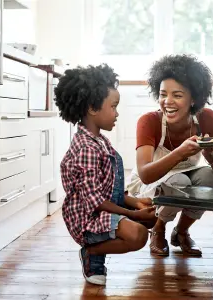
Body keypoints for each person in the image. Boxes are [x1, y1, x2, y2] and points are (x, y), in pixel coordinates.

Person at [54, 64, 157, 286]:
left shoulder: (99, 141)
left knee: (151, 218)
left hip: (102, 208)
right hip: (87, 220)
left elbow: (109, 188)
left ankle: (98, 252)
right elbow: (96, 201)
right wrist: (134, 216)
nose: (117, 112)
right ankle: (91, 253)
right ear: (92, 107)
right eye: (113, 106)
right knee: (138, 235)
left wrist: (136, 203)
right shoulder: (86, 149)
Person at [126, 54, 213, 257]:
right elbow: (146, 174)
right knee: (179, 179)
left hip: (188, 174)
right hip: (151, 181)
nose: (167, 102)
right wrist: (180, 152)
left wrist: (211, 156)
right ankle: (158, 230)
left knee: (210, 177)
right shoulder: (148, 121)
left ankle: (181, 232)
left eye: (177, 95)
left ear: (193, 99)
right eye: (162, 94)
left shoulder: (206, 118)